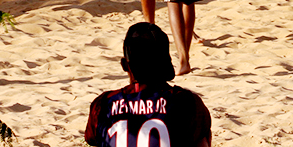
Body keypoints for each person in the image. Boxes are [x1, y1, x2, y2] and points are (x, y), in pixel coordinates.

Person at [83, 22, 212, 147]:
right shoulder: (185, 101)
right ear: (166, 62)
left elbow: (91, 139)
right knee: (201, 136)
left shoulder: (104, 103)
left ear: (124, 65)